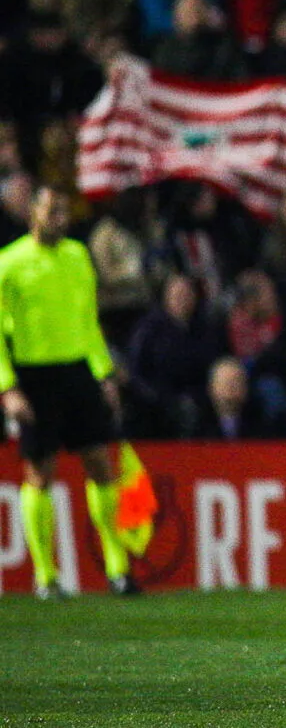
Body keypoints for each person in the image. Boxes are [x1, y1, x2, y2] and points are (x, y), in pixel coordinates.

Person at [0, 187, 137, 596]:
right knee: (40, 471)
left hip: (77, 370)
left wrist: (104, 374)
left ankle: (118, 567)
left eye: (64, 211)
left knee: (100, 463)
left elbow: (88, 320)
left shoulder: (78, 256)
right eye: (52, 211)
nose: (60, 218)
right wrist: (7, 388)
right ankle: (46, 575)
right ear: (33, 214)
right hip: (35, 375)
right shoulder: (10, 263)